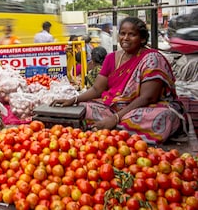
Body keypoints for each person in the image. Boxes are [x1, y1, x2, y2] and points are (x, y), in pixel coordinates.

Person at [51, 16, 183, 144]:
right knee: (82, 108)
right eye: (122, 34)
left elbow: (148, 98)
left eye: (132, 34)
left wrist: (115, 118)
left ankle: (108, 126)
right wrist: (74, 99)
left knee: (163, 117)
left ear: (142, 39)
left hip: (142, 108)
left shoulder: (152, 59)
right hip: (114, 105)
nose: (125, 38)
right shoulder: (111, 58)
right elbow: (97, 89)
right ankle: (113, 127)